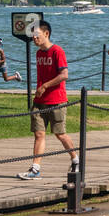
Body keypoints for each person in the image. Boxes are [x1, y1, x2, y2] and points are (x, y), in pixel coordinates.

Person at [17, 20, 78, 180]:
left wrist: (45, 86)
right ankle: (35, 169)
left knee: (60, 134)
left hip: (56, 100)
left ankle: (75, 159)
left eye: (36, 35)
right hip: (39, 101)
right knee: (39, 134)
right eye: (32, 36)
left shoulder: (57, 51)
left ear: (46, 34)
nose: (34, 39)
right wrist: (40, 90)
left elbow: (64, 75)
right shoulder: (39, 54)